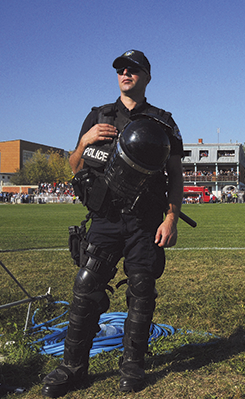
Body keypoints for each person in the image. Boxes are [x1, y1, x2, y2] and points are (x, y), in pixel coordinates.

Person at [42, 50, 184, 397]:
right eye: (121, 69)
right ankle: (72, 367)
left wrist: (171, 218)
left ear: (147, 76)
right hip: (104, 219)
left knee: (141, 293)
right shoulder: (98, 116)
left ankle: (132, 368)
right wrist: (84, 141)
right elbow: (75, 167)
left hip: (145, 222)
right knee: (85, 291)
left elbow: (176, 176)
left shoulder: (163, 122)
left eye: (133, 69)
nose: (125, 73)